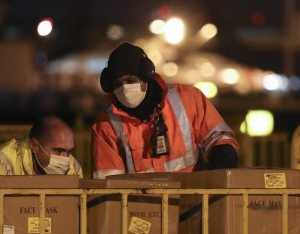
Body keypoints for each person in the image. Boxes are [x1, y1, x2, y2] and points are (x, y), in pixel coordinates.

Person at [92, 42, 238, 179]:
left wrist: (222, 160)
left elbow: (219, 137)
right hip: (139, 205)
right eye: (118, 84)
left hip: (193, 200)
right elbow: (107, 183)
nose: (124, 89)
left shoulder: (188, 99)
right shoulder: (106, 125)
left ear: (146, 76)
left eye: (130, 80)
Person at [0, 115, 83, 177]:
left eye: (69, 152)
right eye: (58, 151)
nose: (65, 159)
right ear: (34, 146)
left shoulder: (73, 168)